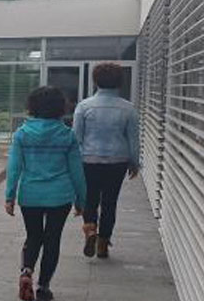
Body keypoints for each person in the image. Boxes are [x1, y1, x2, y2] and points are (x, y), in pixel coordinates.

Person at [5, 86, 86, 301]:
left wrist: (9, 196)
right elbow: (77, 171)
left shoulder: (22, 134)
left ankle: (26, 271)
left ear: (32, 107)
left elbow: (14, 167)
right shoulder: (67, 136)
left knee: (33, 236)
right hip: (60, 197)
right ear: (61, 108)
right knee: (52, 240)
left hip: (30, 195)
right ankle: (43, 286)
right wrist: (81, 199)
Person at [73, 62, 139, 259]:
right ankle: (103, 243)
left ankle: (90, 228)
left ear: (95, 81)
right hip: (117, 160)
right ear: (120, 82)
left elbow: (76, 138)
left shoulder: (84, 106)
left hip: (89, 159)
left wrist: (75, 163)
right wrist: (134, 162)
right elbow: (133, 138)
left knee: (90, 198)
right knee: (110, 202)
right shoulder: (128, 108)